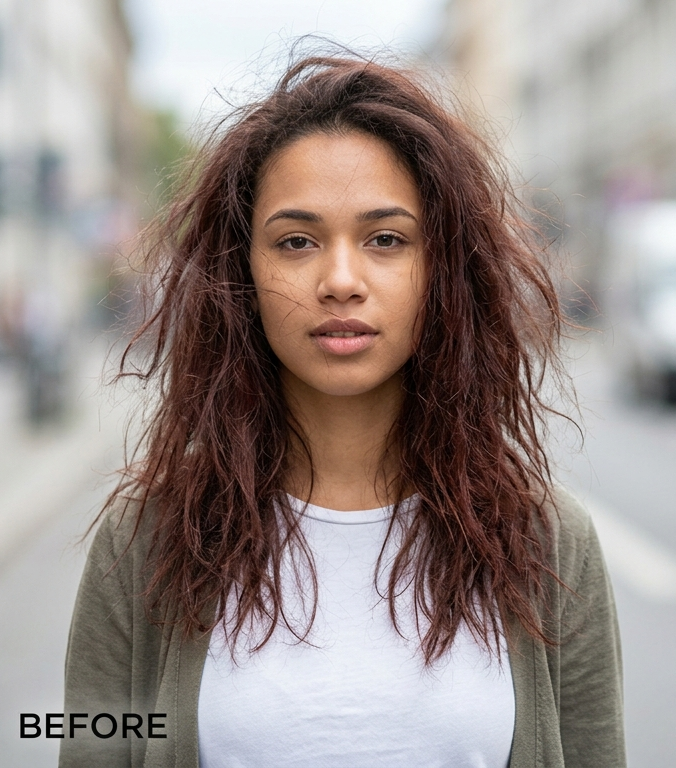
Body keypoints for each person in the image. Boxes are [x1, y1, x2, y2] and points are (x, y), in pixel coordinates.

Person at [61, 55, 624, 768]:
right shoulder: (144, 539)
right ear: (243, 273)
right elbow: (89, 747)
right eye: (296, 241)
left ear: (441, 269)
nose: (341, 280)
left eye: (386, 239)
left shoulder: (547, 542)